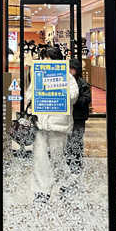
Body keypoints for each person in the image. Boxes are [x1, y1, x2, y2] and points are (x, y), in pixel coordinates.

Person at [26, 46, 79, 203]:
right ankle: (41, 191)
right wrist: (34, 97)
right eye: (44, 60)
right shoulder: (39, 75)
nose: (46, 63)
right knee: (40, 158)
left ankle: (66, 182)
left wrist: (57, 89)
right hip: (41, 124)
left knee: (57, 158)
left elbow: (73, 95)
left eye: (49, 60)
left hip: (59, 125)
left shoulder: (66, 76)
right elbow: (29, 94)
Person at [65, 58, 91, 177]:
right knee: (68, 141)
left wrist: (74, 101)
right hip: (68, 117)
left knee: (76, 140)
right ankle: (69, 163)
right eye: (69, 68)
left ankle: (76, 165)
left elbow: (86, 99)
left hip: (78, 117)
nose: (70, 71)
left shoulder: (82, 83)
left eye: (72, 69)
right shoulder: (65, 82)